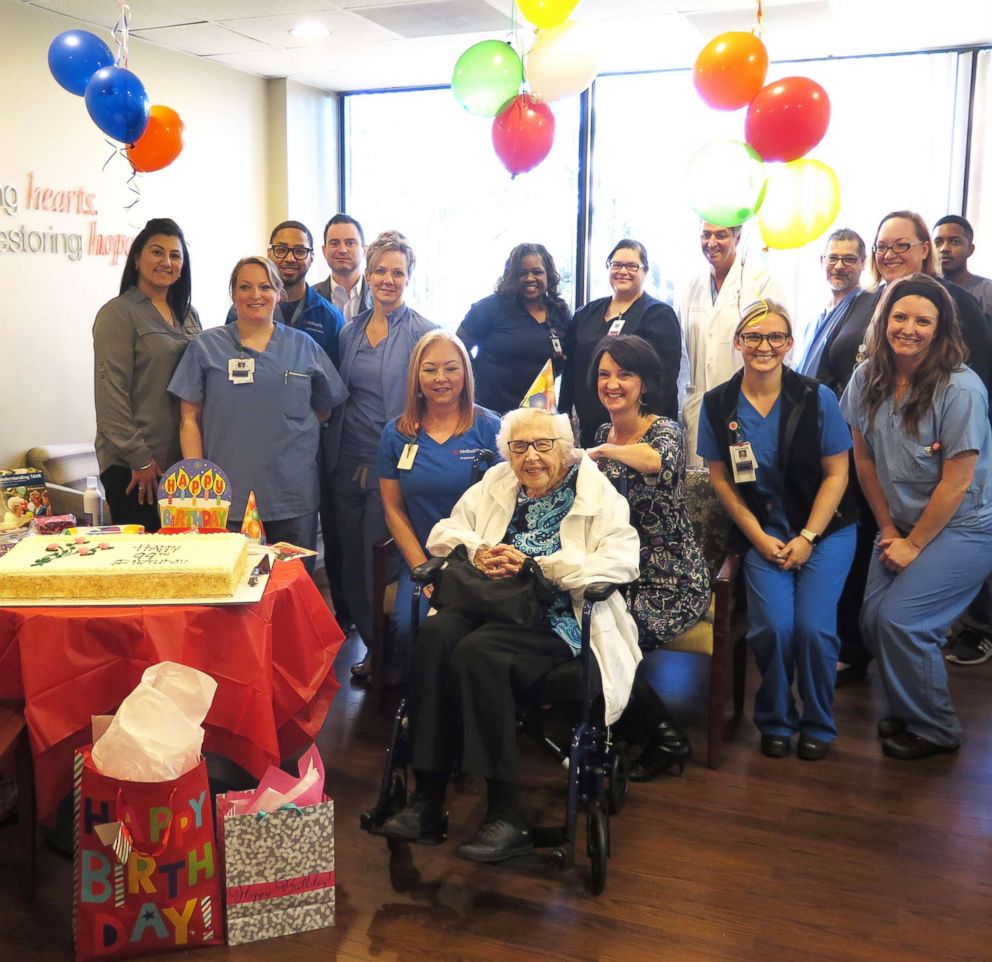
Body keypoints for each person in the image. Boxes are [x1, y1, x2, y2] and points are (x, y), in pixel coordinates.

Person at [376, 408, 640, 861]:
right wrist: (480, 553)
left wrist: (540, 567)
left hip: (559, 618)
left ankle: (507, 814)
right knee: (437, 634)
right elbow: (445, 531)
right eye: (519, 447)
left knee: (478, 653)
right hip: (492, 605)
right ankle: (427, 800)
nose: (531, 457)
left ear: (564, 449)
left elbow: (622, 559)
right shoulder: (498, 481)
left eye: (542, 445)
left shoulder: (595, 490)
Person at [840, 274, 992, 758]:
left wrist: (913, 544)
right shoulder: (866, 378)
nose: (909, 328)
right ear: (883, 321)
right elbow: (864, 460)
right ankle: (910, 711)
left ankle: (936, 728)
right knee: (871, 619)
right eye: (900, 317)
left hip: (966, 524)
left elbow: (957, 482)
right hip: (901, 521)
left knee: (904, 621)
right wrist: (887, 528)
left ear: (940, 328)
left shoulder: (961, 388)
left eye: (923, 320)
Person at [699, 300, 858, 760]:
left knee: (813, 630)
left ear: (789, 344)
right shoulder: (718, 404)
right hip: (761, 533)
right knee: (772, 628)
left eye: (774, 337)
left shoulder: (816, 397)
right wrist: (757, 536)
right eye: (753, 336)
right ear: (738, 342)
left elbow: (837, 474)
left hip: (825, 532)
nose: (763, 346)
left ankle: (818, 723)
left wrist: (808, 537)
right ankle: (774, 718)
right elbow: (721, 480)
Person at [168, 256, 346, 570]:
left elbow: (325, 407)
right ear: (234, 294)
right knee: (231, 591)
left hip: (291, 492)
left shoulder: (304, 347)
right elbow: (189, 419)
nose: (256, 295)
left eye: (265, 287)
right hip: (227, 497)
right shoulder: (206, 347)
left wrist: (288, 430)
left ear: (279, 293)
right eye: (245, 287)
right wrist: (200, 484)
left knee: (293, 588)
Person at [586, 335, 709, 780]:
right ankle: (610, 727)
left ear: (645, 383)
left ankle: (668, 738)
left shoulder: (665, 429)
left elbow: (656, 461)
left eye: (624, 374)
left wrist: (601, 453)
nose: (612, 383)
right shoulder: (602, 432)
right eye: (604, 374)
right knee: (579, 626)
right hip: (618, 571)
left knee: (611, 637)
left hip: (670, 577)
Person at [328, 231, 438, 674]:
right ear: (367, 274)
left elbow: (438, 395)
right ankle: (373, 645)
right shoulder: (349, 332)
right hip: (347, 460)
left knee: (385, 561)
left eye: (398, 272)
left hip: (393, 464)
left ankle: (394, 652)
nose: (387, 279)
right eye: (380, 271)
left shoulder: (425, 334)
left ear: (409, 278)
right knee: (351, 560)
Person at [376, 331, 501, 684]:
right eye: (430, 370)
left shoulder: (491, 428)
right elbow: (393, 510)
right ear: (416, 377)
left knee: (478, 637)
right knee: (410, 625)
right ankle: (419, 709)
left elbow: (508, 508)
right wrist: (424, 569)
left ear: (466, 374)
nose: (441, 379)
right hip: (421, 560)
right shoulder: (397, 435)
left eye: (451, 368)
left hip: (480, 561)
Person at [93, 217, 201, 531]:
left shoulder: (189, 315)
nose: (167, 262)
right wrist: (139, 458)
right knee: (145, 566)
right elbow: (110, 395)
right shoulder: (118, 314)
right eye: (157, 252)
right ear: (138, 259)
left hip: (181, 463)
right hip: (135, 468)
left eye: (175, 255)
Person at [679, 221, 786, 468]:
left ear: (737, 238)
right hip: (698, 405)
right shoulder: (691, 286)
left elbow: (779, 347)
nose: (712, 243)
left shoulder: (761, 281)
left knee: (745, 482)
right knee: (701, 490)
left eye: (721, 235)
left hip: (747, 405)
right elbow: (683, 356)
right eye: (705, 235)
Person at [561, 239, 682, 446]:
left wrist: (645, 427)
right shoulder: (585, 313)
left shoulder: (658, 315)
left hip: (638, 432)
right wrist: (562, 416)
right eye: (616, 265)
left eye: (632, 266)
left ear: (645, 271)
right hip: (590, 428)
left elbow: (664, 380)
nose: (622, 271)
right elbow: (571, 370)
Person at [456, 243, 572, 414]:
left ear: (548, 275)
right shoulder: (490, 308)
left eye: (537, 272)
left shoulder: (560, 312)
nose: (530, 278)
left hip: (538, 416)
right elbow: (456, 348)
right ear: (511, 277)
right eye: (522, 273)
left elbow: (568, 360)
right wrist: (475, 380)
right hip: (490, 414)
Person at [225, 221, 344, 367]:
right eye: (281, 250)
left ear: (311, 258)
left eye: (300, 251)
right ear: (269, 254)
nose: (289, 258)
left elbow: (333, 379)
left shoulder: (329, 316)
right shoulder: (243, 309)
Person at [799, 229, 867, 379]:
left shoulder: (866, 310)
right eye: (833, 258)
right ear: (822, 261)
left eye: (849, 259)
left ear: (863, 262)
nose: (838, 266)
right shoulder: (814, 321)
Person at [314, 213, 373, 323]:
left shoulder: (380, 296)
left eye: (350, 243)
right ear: (324, 250)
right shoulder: (310, 298)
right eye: (334, 243)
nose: (342, 250)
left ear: (365, 250)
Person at [934, 215, 992, 316]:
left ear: (970, 249)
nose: (944, 248)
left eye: (955, 242)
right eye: (938, 242)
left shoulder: (987, 291)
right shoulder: (927, 289)